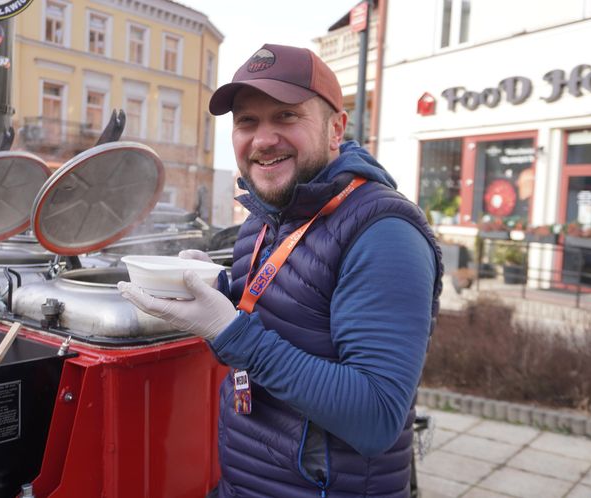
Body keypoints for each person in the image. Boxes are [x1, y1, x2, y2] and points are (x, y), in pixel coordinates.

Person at [119, 43, 443, 498]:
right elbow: (277, 336)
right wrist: (221, 297)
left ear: (336, 129)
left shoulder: (383, 232)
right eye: (247, 121)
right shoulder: (262, 219)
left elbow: (375, 417)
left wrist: (229, 329)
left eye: (287, 116)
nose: (263, 139)